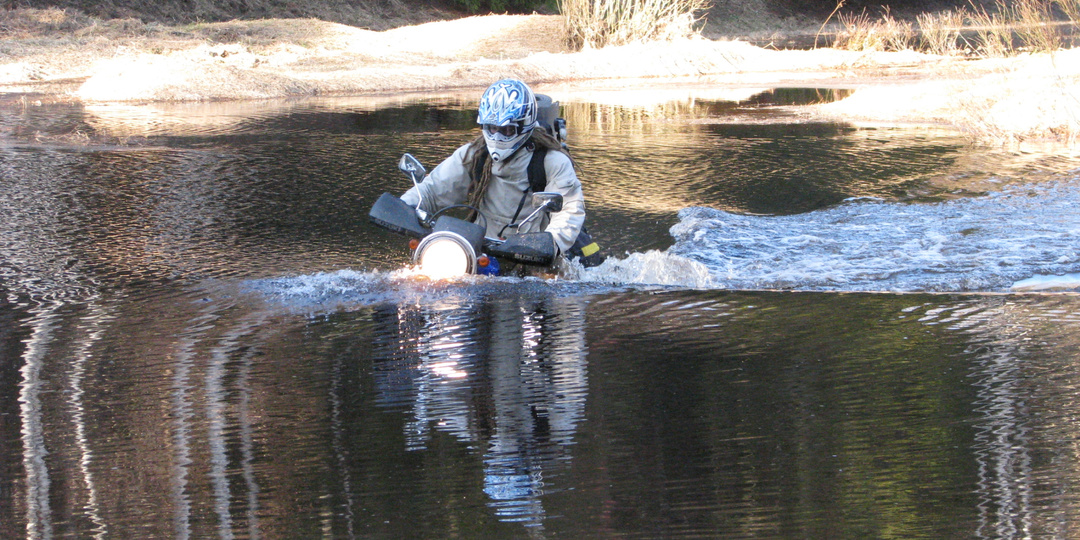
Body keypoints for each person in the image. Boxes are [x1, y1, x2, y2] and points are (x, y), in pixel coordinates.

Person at [400, 79, 588, 270]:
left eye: (507, 130)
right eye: (492, 128)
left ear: (524, 126)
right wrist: (404, 207)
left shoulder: (552, 161)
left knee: (550, 293)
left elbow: (569, 210)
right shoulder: (474, 154)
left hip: (531, 258)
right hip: (477, 251)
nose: (498, 136)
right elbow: (434, 188)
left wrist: (552, 242)